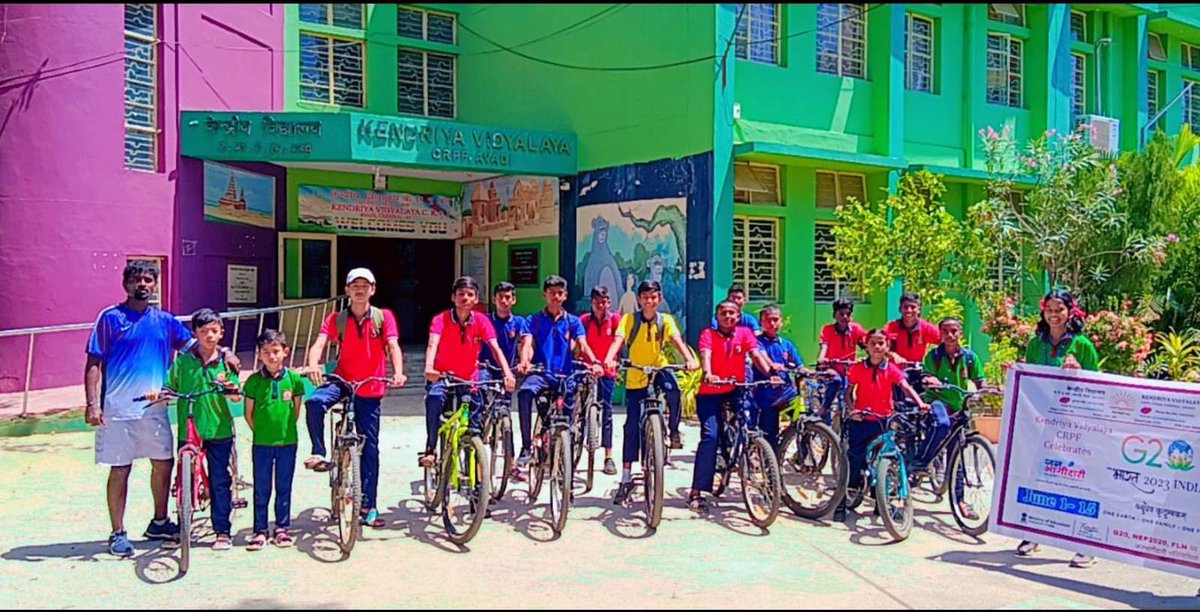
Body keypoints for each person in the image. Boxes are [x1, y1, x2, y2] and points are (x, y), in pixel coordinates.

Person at [86, 261, 196, 556]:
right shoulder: (110, 318)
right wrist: (93, 403)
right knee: (120, 469)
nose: (143, 284)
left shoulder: (165, 321)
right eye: (137, 279)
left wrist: (225, 355)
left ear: (156, 284)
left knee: (163, 463)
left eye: (149, 279)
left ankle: (159, 522)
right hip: (117, 411)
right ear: (126, 284)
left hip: (154, 410)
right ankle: (117, 532)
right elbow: (93, 363)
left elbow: (196, 347)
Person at [303, 268, 406, 529]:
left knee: (370, 447)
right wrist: (313, 363)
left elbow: (393, 346)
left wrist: (399, 372)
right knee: (315, 402)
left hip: (370, 386)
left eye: (365, 285)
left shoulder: (384, 317)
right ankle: (319, 451)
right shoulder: (336, 318)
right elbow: (319, 342)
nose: (360, 289)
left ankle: (369, 506)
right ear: (347, 290)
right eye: (354, 285)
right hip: (343, 379)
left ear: (373, 289)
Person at [1015, 288, 1100, 568]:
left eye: (1059, 309)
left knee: (1078, 484)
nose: (1054, 314)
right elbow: (1031, 381)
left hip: (1075, 426)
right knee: (1038, 478)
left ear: (1070, 311)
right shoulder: (1034, 344)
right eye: (1049, 309)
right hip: (1042, 424)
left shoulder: (1082, 344)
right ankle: (1033, 534)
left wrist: (1078, 372)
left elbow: (1098, 386)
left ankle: (1085, 544)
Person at [604, 280, 698, 504]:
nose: (649, 301)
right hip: (636, 374)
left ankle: (674, 431)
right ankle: (626, 478)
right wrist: (609, 357)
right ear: (639, 299)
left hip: (659, 368)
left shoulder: (665, 321)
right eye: (645, 297)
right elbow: (618, 340)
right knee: (632, 426)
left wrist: (689, 358)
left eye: (653, 297)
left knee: (673, 390)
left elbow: (677, 340)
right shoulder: (630, 320)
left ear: (659, 298)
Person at [157, 308, 243, 551]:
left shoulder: (225, 362)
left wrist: (231, 389)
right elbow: (168, 384)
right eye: (203, 331)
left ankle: (222, 531)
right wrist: (161, 392)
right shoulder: (183, 361)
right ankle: (184, 526)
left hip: (219, 428)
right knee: (184, 477)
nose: (209, 336)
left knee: (219, 479)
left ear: (221, 333)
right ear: (194, 333)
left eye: (214, 331)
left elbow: (236, 394)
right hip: (189, 427)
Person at [832, 328, 929, 522]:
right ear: (866, 346)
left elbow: (905, 387)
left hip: (883, 421)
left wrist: (920, 403)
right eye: (873, 343)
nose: (877, 347)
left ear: (887, 346)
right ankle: (843, 501)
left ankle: (881, 503)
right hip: (862, 421)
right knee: (854, 459)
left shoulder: (891, 369)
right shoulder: (858, 368)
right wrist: (853, 410)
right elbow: (848, 393)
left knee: (883, 461)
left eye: (881, 343)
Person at [688, 300, 777, 513]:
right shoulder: (708, 334)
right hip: (710, 391)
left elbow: (756, 355)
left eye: (732, 314)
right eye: (723, 313)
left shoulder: (745, 333)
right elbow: (706, 355)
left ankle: (755, 467)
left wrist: (771, 373)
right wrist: (708, 374)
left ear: (738, 317)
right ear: (717, 316)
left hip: (735, 388)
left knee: (748, 424)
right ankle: (697, 491)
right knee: (710, 436)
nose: (728, 317)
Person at [420, 276, 516, 468]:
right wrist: (429, 367)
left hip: (469, 378)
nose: (465, 298)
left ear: (476, 298)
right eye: (461, 294)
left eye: (470, 294)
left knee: (474, 425)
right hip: (442, 375)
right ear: (453, 297)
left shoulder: (481, 321)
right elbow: (433, 344)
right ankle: (431, 448)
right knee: (434, 399)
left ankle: (477, 479)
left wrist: (508, 373)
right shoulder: (441, 319)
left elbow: (496, 348)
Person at [514, 275, 603, 471]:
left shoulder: (573, 322)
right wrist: (524, 361)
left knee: (569, 426)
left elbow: (583, 344)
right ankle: (527, 446)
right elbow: (527, 344)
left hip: (566, 377)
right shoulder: (533, 320)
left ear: (565, 296)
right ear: (544, 294)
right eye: (552, 292)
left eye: (560, 293)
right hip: (541, 374)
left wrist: (595, 362)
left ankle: (565, 471)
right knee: (524, 393)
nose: (556, 296)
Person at [917, 317, 989, 519]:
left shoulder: (969, 357)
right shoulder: (934, 356)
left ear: (960, 333)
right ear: (939, 333)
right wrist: (931, 379)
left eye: (954, 331)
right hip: (938, 401)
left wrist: (988, 390)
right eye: (945, 331)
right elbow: (926, 375)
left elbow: (979, 380)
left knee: (956, 454)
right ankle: (923, 460)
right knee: (941, 424)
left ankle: (959, 501)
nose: (950, 335)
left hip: (959, 404)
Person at [242, 329, 306, 551]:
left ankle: (281, 527)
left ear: (285, 352)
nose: (271, 356)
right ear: (259, 354)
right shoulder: (253, 381)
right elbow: (248, 414)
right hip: (262, 444)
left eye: (276, 351)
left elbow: (295, 411)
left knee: (283, 485)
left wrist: (284, 431)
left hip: (288, 442)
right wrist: (261, 433)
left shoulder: (295, 379)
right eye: (266, 352)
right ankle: (260, 529)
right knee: (261, 486)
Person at [579, 286, 621, 476]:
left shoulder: (615, 319)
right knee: (578, 409)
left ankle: (608, 456)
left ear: (609, 302)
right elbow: (578, 343)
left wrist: (613, 361)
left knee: (607, 412)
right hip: (586, 370)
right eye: (597, 301)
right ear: (591, 302)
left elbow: (619, 342)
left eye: (604, 301)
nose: (600, 305)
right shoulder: (584, 320)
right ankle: (573, 447)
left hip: (607, 372)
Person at [751, 304, 801, 450]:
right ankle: (770, 466)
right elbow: (761, 355)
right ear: (761, 323)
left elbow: (799, 365)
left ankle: (803, 455)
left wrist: (808, 372)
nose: (772, 324)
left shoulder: (786, 344)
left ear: (781, 322)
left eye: (775, 320)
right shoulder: (757, 342)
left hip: (787, 394)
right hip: (767, 397)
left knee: (802, 421)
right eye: (768, 320)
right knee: (769, 434)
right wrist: (772, 366)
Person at [816, 298, 866, 425]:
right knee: (836, 381)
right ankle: (824, 408)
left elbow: (866, 345)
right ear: (834, 315)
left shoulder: (856, 329)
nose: (844, 317)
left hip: (848, 370)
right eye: (841, 314)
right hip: (830, 368)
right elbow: (824, 346)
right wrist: (822, 358)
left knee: (852, 393)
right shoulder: (827, 329)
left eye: (848, 314)